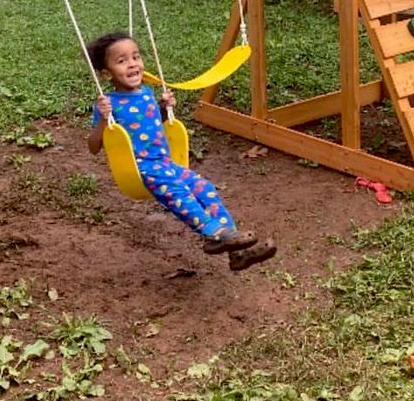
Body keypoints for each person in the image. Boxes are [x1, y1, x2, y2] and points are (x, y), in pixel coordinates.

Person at [87, 32, 276, 272]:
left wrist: (164, 109)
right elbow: (93, 146)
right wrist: (104, 118)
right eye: (122, 61)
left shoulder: (146, 93)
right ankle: (212, 233)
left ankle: (237, 251)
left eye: (135, 56)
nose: (133, 63)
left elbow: (153, 125)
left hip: (166, 163)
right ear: (106, 73)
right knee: (180, 193)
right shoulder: (108, 103)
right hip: (143, 168)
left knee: (204, 188)